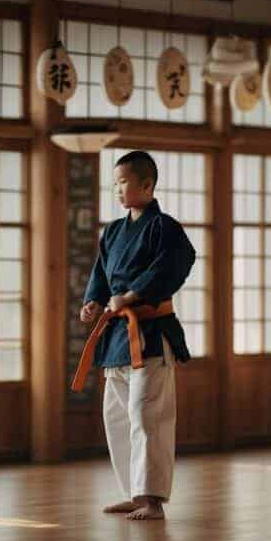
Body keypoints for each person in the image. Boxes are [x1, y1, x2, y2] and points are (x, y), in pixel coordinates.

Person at [79, 150, 196, 521]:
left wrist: (132, 295)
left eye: (124, 182)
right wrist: (93, 303)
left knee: (147, 415)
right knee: (116, 416)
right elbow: (100, 275)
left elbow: (173, 266)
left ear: (147, 185)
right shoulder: (113, 231)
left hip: (150, 334)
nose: (117, 189)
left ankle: (153, 500)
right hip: (117, 336)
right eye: (114, 183)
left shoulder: (166, 228)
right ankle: (134, 491)